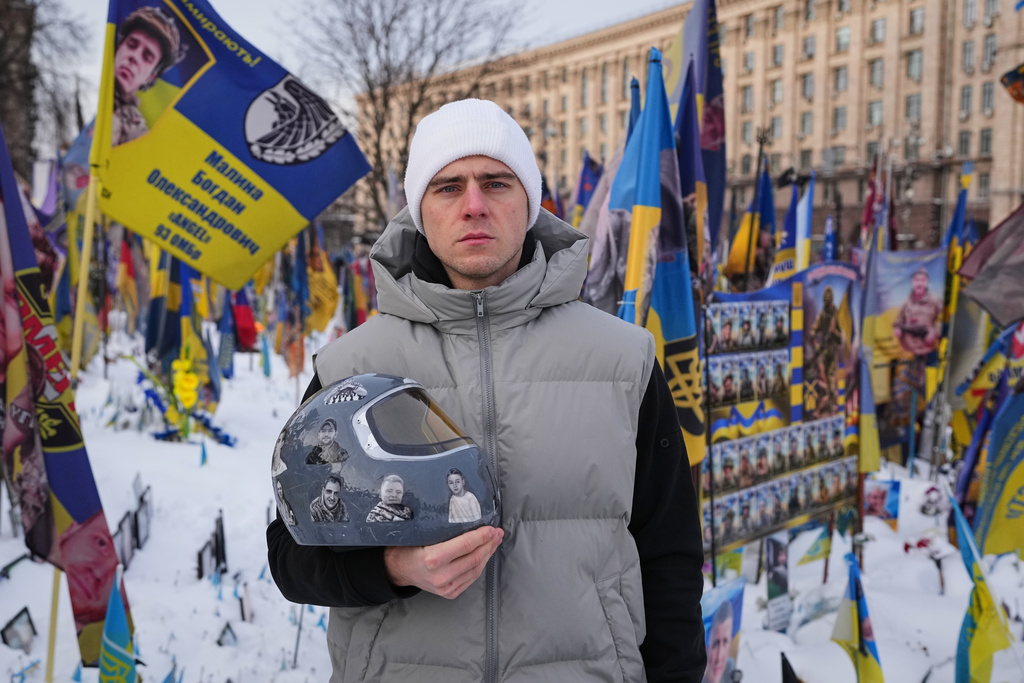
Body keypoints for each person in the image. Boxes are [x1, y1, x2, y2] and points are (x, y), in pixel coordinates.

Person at [266, 99, 705, 682]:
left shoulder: (623, 359)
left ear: (529, 201)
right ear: (420, 210)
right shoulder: (352, 367)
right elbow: (289, 556)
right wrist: (394, 567)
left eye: (496, 182)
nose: (474, 205)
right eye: (448, 187)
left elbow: (669, 556)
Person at [112, 7, 184, 146]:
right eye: (132, 45)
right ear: (119, 47)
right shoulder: (101, 106)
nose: (134, 57)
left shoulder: (139, 138)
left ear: (150, 78)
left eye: (147, 57)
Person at [894, 268, 943, 356]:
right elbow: (899, 320)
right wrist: (897, 330)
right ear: (912, 282)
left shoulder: (935, 300)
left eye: (922, 280)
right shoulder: (906, 302)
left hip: (928, 350)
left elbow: (944, 319)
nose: (919, 283)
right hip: (908, 351)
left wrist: (935, 332)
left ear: (927, 281)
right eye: (916, 280)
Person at [702, 600, 736, 683]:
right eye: (715, 644)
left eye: (725, 642)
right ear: (707, 649)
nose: (719, 657)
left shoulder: (730, 667)